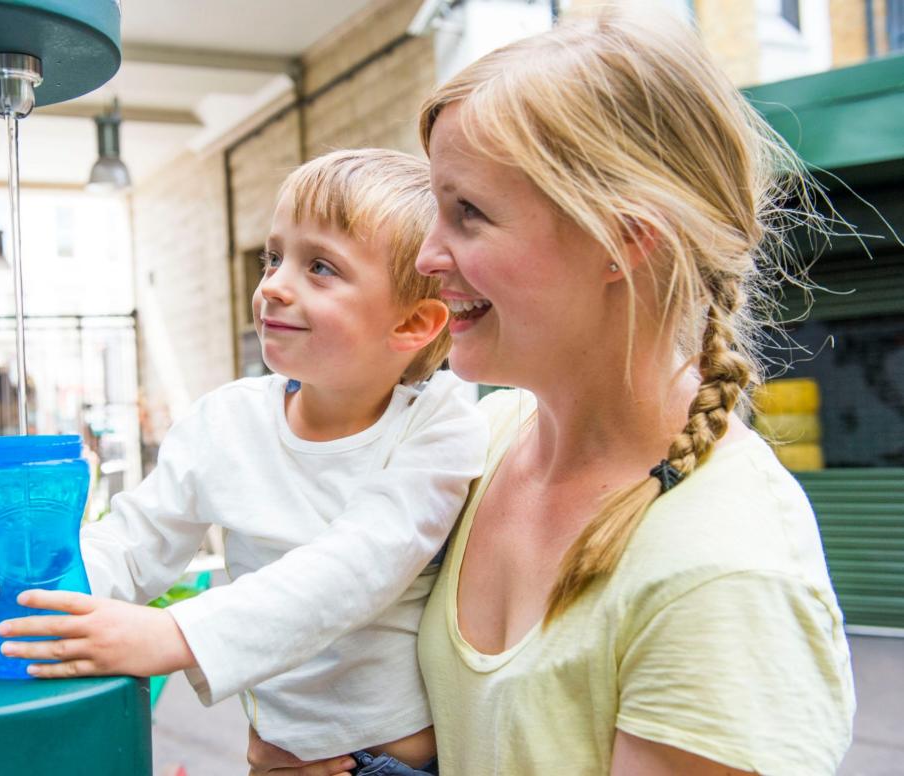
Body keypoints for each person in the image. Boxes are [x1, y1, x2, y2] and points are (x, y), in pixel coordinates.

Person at [249, 8, 855, 776]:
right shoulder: (482, 441)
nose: (428, 253)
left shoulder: (722, 573)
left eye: (468, 213)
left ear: (621, 241)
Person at [0, 149, 490, 774]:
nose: (271, 285)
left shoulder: (439, 423)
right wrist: (53, 598)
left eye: (319, 267)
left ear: (412, 324)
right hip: (283, 760)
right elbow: (136, 539)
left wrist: (169, 636)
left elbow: (352, 569)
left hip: (398, 764)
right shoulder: (227, 422)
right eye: (274, 256)